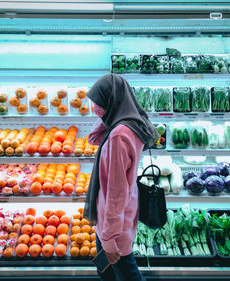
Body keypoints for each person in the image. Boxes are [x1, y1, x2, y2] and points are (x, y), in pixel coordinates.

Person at [83, 74, 159, 281]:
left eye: (98, 102)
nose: (94, 106)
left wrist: (109, 240)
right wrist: (108, 115)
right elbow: (93, 139)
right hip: (114, 218)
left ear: (111, 101)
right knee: (105, 271)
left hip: (114, 225)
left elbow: (115, 193)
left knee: (127, 274)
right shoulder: (131, 124)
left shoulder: (118, 135)